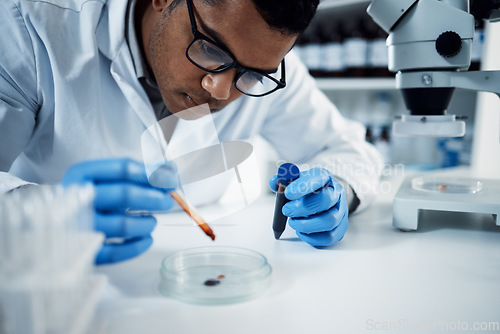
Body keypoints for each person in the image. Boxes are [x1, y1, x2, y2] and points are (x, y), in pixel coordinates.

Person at [0, 0, 383, 264]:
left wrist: (336, 191)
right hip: (62, 286)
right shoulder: (30, 26)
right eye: (212, 50)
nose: (221, 91)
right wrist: (43, 216)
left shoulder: (265, 72)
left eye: (250, 75)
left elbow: (350, 149)